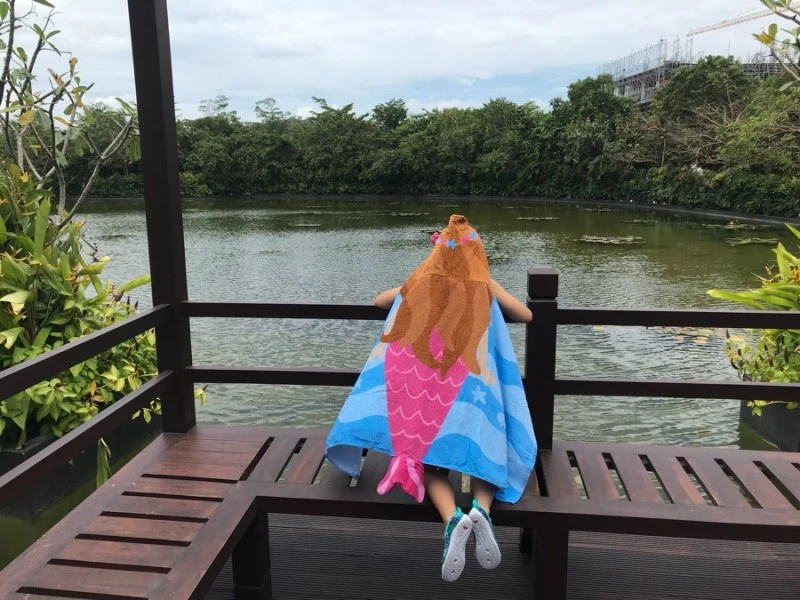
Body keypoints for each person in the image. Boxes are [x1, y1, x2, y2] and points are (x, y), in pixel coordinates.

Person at [326, 215, 537, 583]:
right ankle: (482, 511)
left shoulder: (419, 285)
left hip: (431, 412)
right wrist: (487, 283)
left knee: (430, 467)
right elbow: (527, 314)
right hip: (472, 406)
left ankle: (452, 518)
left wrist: (421, 277)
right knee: (485, 460)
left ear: (436, 255)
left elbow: (379, 300)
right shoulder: (484, 286)